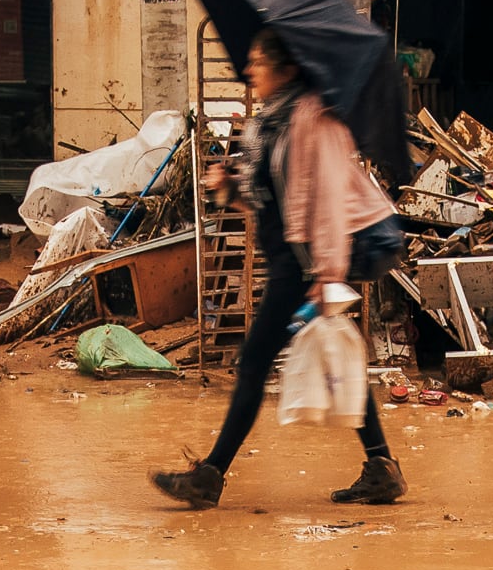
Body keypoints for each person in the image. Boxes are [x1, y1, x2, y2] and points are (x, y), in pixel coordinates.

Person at [152, 31, 404, 509]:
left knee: (253, 362)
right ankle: (382, 467)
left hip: (308, 262)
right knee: (337, 359)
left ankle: (209, 477)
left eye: (257, 62)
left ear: (286, 69)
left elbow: (328, 201)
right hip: (290, 257)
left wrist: (328, 275)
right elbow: (271, 198)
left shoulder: (317, 120)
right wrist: (228, 187)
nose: (248, 71)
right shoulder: (268, 122)